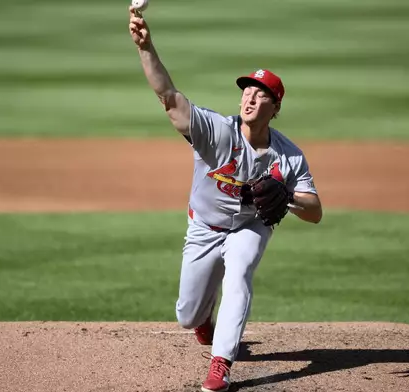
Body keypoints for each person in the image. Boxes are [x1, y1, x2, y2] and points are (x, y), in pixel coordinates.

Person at [128, 6, 323, 392]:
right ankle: (204, 320)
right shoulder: (217, 132)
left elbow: (315, 211)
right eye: (247, 90)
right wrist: (146, 47)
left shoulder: (289, 156)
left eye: (261, 93)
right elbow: (168, 98)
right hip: (203, 225)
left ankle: (221, 363)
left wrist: (287, 197)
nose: (250, 97)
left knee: (240, 274)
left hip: (250, 227)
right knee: (186, 315)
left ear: (276, 107)